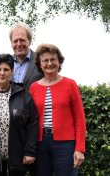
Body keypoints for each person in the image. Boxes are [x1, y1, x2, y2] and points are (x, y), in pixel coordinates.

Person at [29, 44, 86, 176]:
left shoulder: (70, 84)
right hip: (40, 144)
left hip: (65, 145)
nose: (49, 63)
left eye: (53, 59)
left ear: (59, 61)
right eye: (45, 60)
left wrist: (80, 148)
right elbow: (30, 119)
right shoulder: (33, 88)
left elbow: (80, 118)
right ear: (40, 64)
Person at [9, 23, 43, 91]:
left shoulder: (41, 61)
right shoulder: (6, 62)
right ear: (11, 43)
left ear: (29, 41)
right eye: (15, 41)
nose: (18, 44)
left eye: (22, 40)